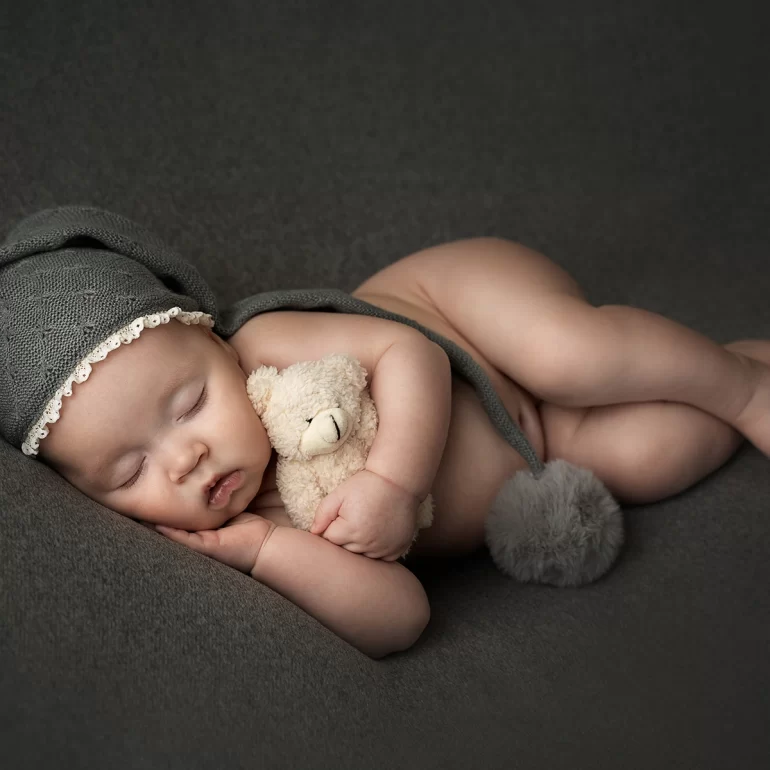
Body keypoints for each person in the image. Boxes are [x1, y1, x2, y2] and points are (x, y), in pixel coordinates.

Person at [1, 207, 768, 659]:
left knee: (572, 357)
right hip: (551, 447)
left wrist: (397, 481)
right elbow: (401, 618)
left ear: (213, 341)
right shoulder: (251, 525)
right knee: (650, 457)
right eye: (129, 471)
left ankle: (746, 391)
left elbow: (412, 351)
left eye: (189, 402)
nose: (184, 458)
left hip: (462, 313)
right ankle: (746, 364)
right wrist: (271, 553)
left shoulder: (263, 342)